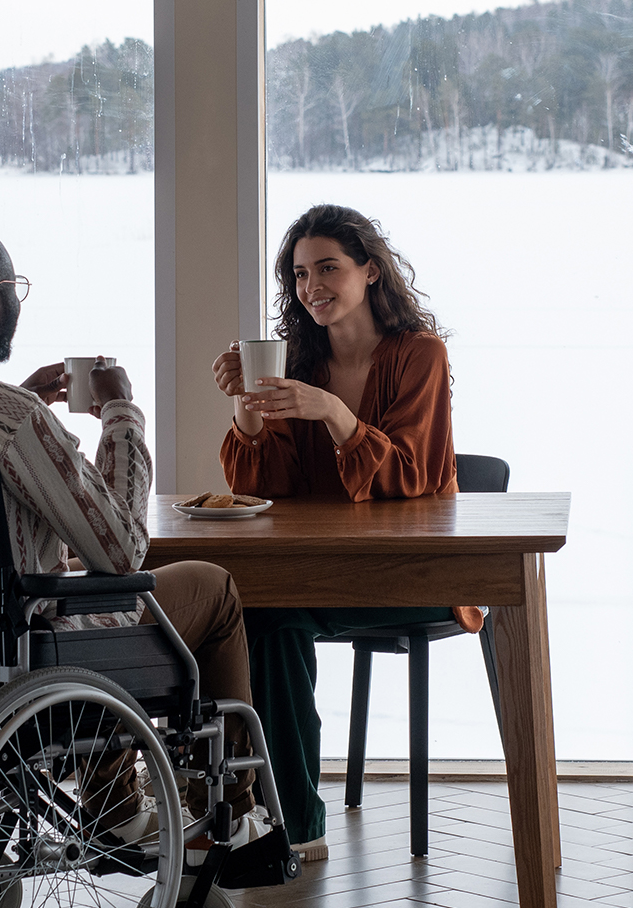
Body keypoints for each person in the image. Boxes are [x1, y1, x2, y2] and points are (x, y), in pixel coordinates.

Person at [0, 219, 270, 848]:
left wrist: (18, 404)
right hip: (17, 663)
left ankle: (120, 808)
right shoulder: (12, 420)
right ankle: (230, 816)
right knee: (212, 589)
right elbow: (121, 549)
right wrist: (120, 414)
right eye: (15, 289)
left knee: (82, 596)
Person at [211, 204, 470, 859]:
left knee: (273, 616)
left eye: (328, 268)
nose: (312, 286)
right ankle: (258, 814)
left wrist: (331, 411)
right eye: (300, 274)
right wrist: (247, 409)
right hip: (320, 570)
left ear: (370, 271)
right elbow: (268, 486)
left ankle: (286, 823)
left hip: (415, 574)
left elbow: (410, 475)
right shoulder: (298, 362)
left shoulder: (421, 356)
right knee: (248, 613)